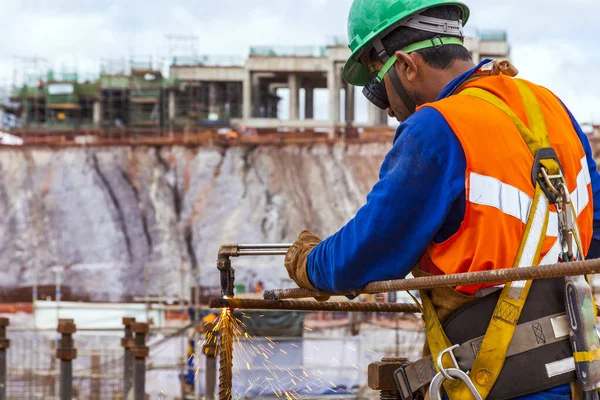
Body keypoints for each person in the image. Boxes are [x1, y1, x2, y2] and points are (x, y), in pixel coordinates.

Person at [283, 0, 600, 398]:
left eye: (380, 93)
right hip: (578, 376)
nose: (389, 111)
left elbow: (365, 254)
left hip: (497, 382)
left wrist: (310, 263)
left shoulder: (436, 129)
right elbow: (595, 230)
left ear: (405, 67)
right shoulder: (551, 108)